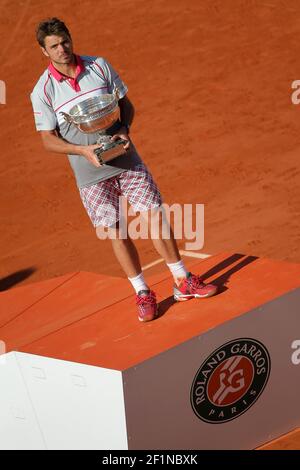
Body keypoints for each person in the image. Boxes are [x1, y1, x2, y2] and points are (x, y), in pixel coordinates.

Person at [30, 17, 217, 322]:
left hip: (126, 159)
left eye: (65, 41)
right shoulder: (43, 90)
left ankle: (182, 280)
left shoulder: (99, 66)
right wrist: (82, 151)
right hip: (89, 172)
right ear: (44, 51)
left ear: (70, 39)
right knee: (117, 232)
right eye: (54, 46)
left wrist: (125, 129)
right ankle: (142, 292)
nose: (62, 49)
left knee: (155, 214)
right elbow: (48, 140)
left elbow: (125, 105)